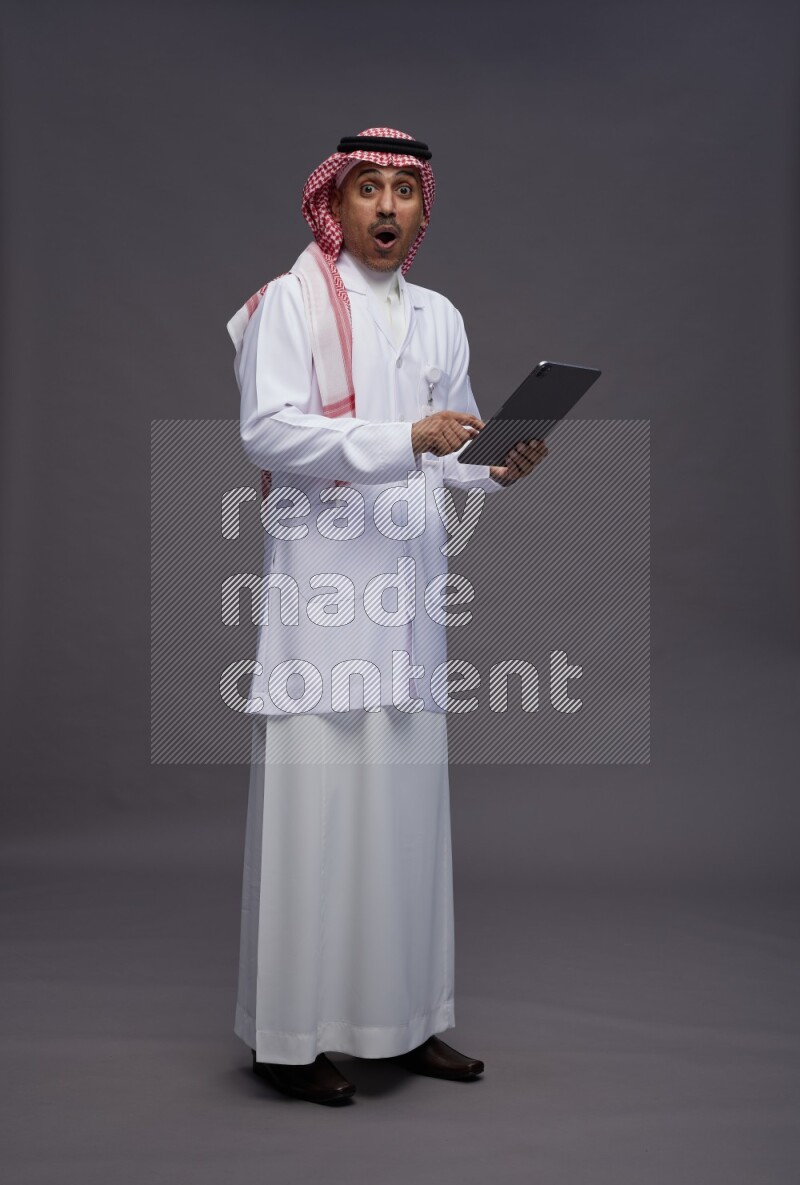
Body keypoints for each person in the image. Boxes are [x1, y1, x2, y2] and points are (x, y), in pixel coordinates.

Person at [227, 128, 548, 1105]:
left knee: (402, 817)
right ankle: (288, 1040)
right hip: (325, 595)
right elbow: (270, 429)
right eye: (366, 189)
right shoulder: (289, 302)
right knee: (314, 814)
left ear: (421, 209)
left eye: (401, 193)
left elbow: (450, 447)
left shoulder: (438, 317)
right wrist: (402, 435)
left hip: (407, 599)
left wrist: (496, 462)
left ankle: (402, 1022)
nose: (383, 210)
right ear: (335, 202)